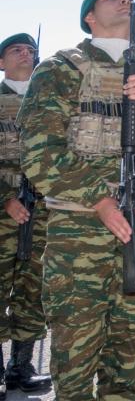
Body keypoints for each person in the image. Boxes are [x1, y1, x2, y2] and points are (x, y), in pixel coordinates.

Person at [18, 0, 135, 399]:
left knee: (128, 351)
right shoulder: (60, 69)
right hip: (78, 231)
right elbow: (39, 153)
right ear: (89, 16)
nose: (124, 1)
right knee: (74, 356)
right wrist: (99, 199)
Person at [0, 33, 52, 395]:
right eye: (17, 50)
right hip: (3, 215)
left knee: (33, 290)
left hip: (41, 212)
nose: (26, 55)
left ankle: (21, 367)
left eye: (31, 50)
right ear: (1, 62)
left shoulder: (45, 105)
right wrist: (5, 199)